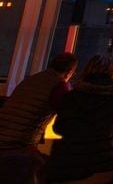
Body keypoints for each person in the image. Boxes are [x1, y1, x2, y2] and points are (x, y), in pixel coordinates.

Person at [46, 55, 113, 182]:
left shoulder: (71, 96)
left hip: (72, 163)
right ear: (112, 71)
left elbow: (59, 128)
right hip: (110, 162)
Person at [0, 52, 77, 184]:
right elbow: (69, 116)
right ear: (69, 72)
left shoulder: (33, 79)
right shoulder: (58, 85)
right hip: (19, 145)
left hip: (5, 137)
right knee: (51, 171)